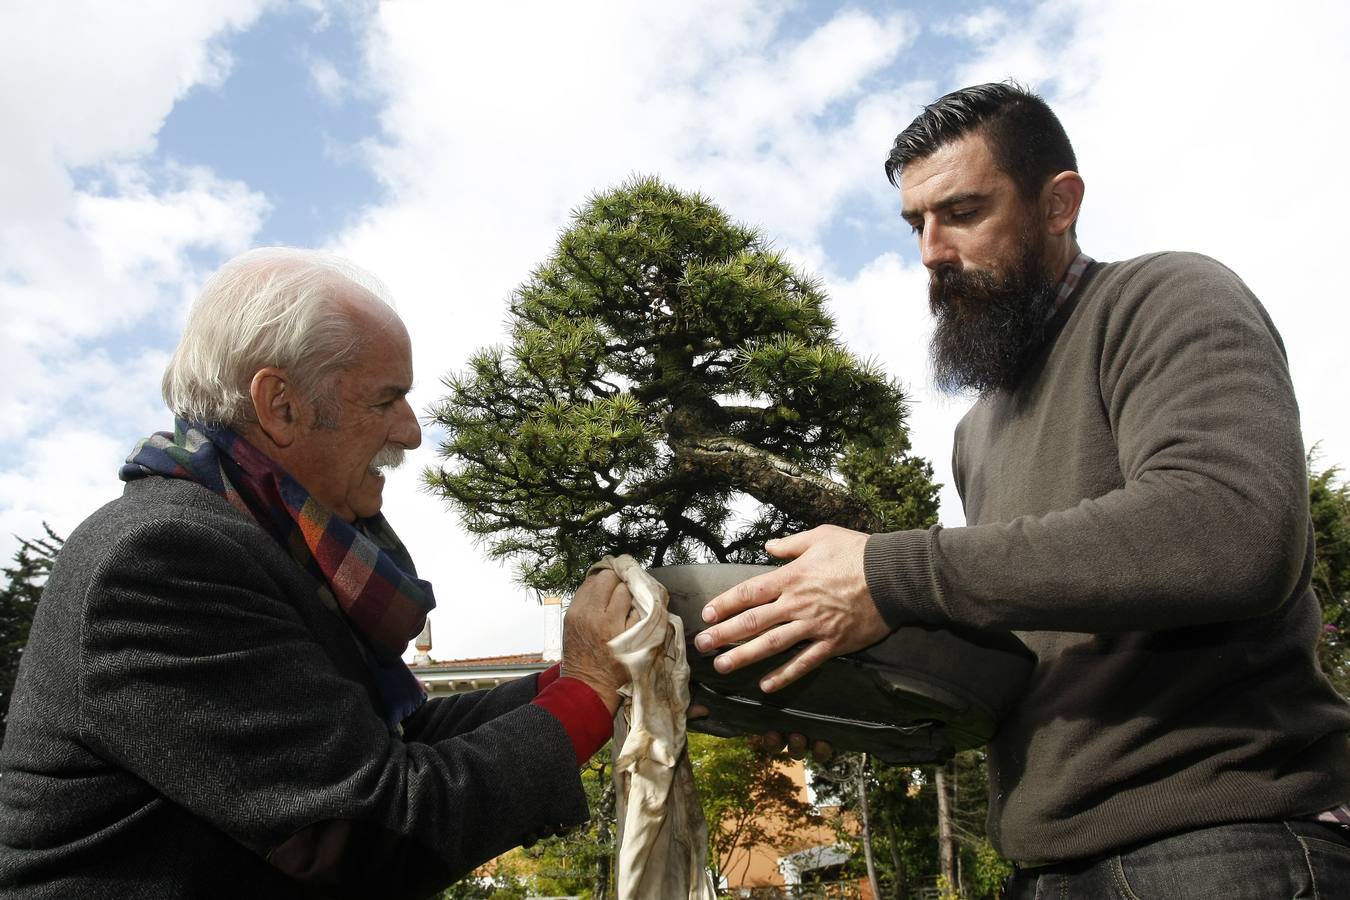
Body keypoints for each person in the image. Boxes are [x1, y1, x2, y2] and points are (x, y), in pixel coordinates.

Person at [693, 82, 1350, 895]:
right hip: (1045, 869)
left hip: (1220, 845)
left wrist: (891, 573)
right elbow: (1036, 652)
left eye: (963, 212)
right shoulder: (978, 431)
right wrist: (856, 701)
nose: (932, 250)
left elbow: (1231, 530)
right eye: (916, 224)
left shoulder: (1165, 298)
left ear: (1059, 203)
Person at [0, 248, 634, 899]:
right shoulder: (166, 559)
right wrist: (587, 688)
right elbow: (368, 835)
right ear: (280, 405)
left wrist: (614, 674)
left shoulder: (263, 543)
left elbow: (394, 745)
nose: (412, 433)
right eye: (387, 399)